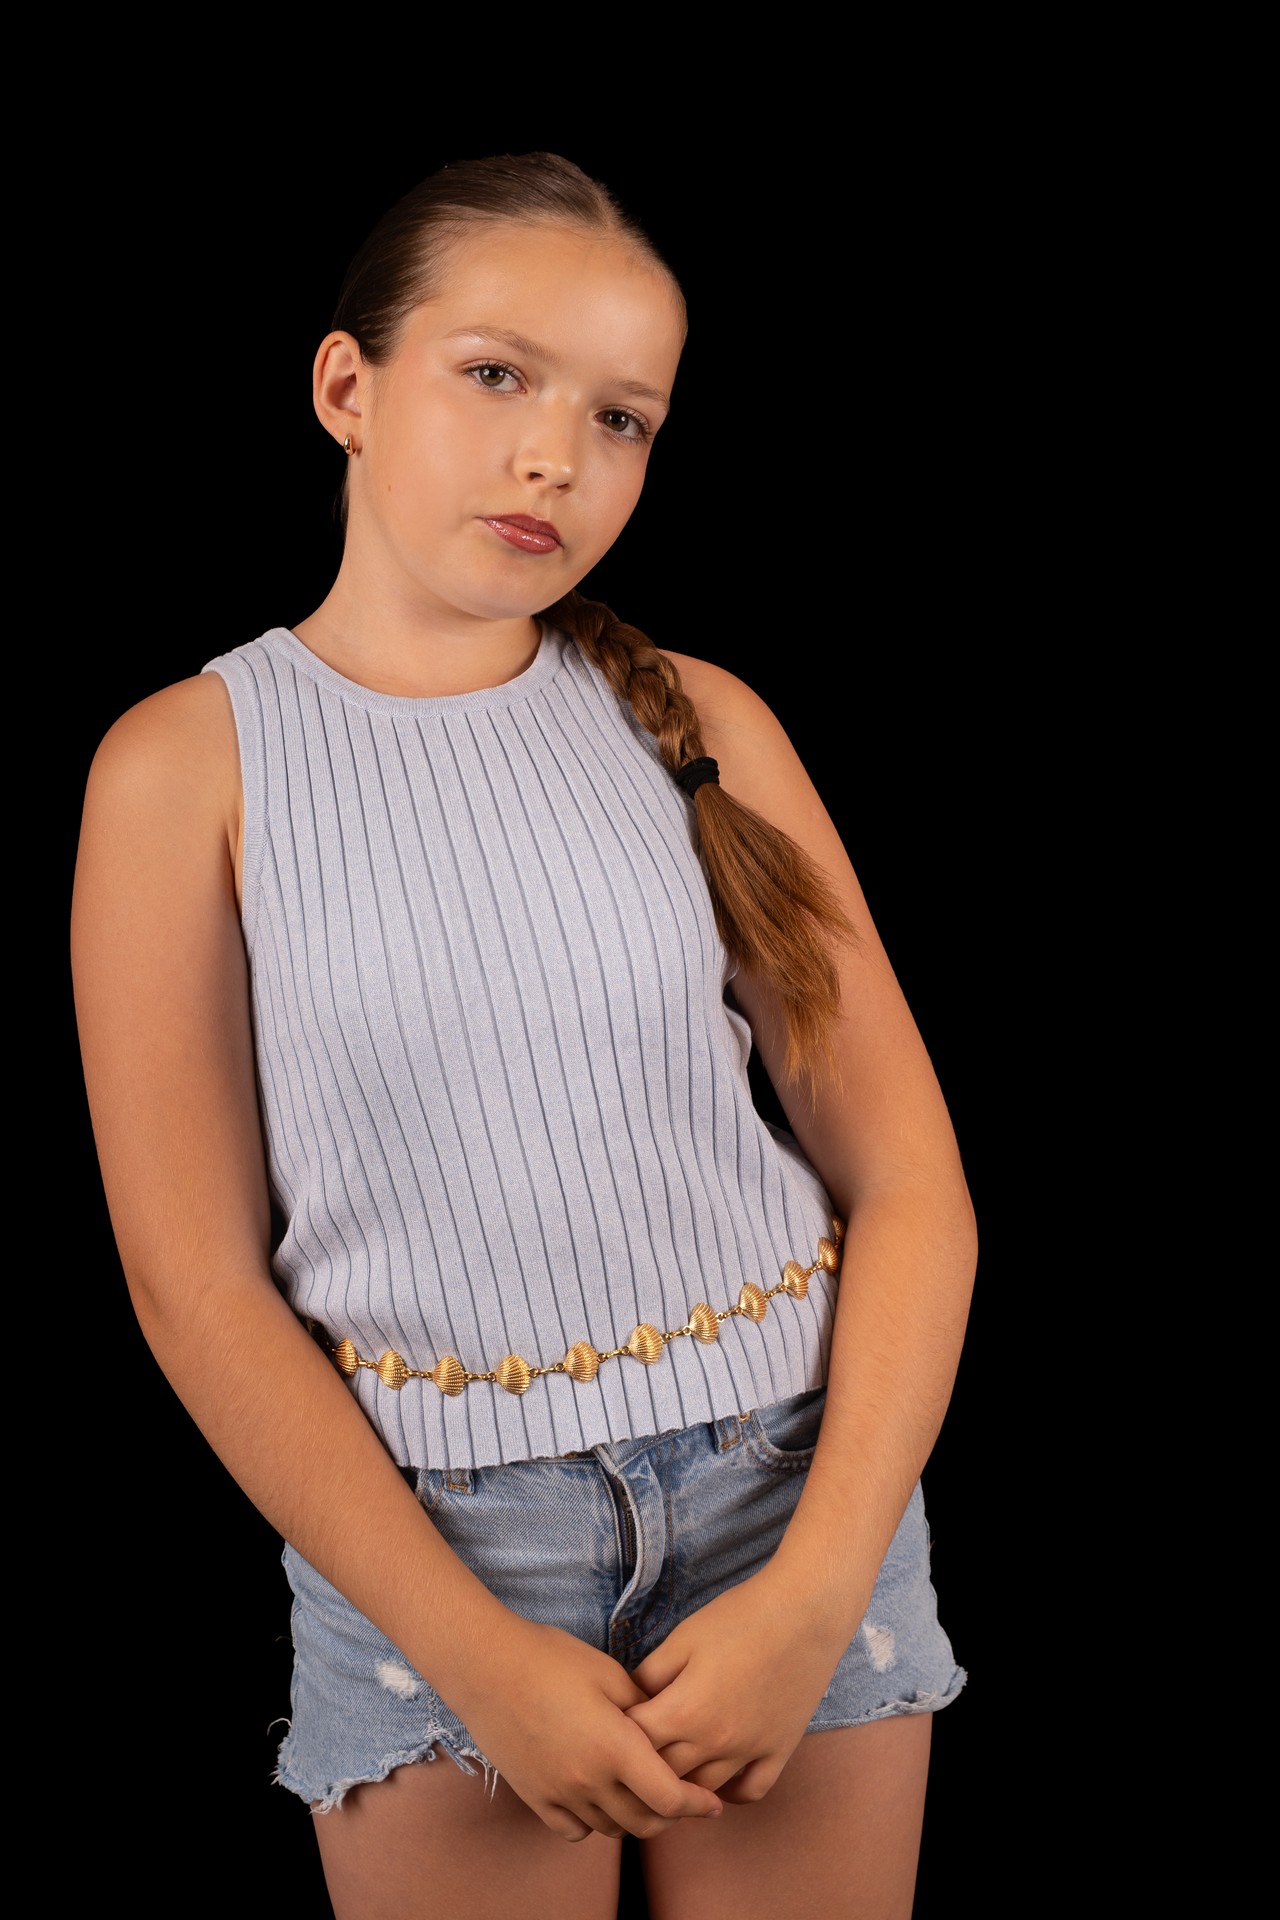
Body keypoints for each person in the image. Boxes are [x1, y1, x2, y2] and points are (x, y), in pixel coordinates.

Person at [70, 151, 977, 1920]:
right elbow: (194, 1286)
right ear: (346, 386)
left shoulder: (701, 724)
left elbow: (916, 1188)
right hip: (435, 1550)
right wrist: (467, 1651)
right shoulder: (187, 769)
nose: (556, 454)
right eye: (498, 375)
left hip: (796, 1494)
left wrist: (817, 1591)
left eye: (621, 417)